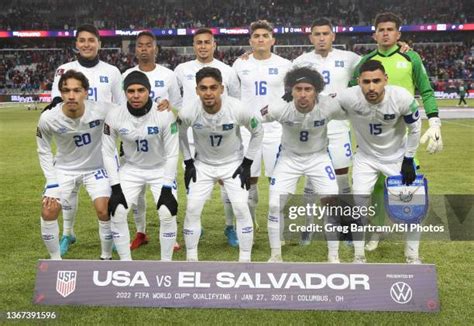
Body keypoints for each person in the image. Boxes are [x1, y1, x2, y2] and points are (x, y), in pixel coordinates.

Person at [350, 12, 443, 251]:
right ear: (374, 34)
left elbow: (427, 90)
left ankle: (411, 246)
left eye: (390, 29)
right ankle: (376, 232)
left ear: (398, 34)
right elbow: (351, 91)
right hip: (374, 137)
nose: (385, 33)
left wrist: (434, 121)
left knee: (407, 186)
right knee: (376, 189)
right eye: (381, 29)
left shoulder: (410, 57)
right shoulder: (365, 62)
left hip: (403, 135)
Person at [49, 24, 125, 255]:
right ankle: (67, 233)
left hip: (102, 144)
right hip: (71, 144)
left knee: (104, 200)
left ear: (99, 44)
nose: (86, 44)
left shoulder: (112, 71)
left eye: (91, 40)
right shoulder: (64, 69)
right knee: (68, 194)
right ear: (76, 44)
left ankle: (107, 241)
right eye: (82, 40)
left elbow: (120, 107)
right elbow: (55, 103)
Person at [339, 60, 422, 263]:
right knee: (359, 204)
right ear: (358, 81)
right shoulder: (349, 96)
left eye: (377, 81)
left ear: (386, 79)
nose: (371, 87)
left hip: (396, 157)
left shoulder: (401, 97)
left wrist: (409, 158)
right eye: (366, 82)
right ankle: (359, 256)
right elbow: (321, 102)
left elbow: (416, 128)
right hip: (365, 158)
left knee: (412, 205)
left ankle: (412, 255)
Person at [178, 67, 263, 262]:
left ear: (221, 88)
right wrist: (189, 162)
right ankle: (191, 259)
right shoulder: (189, 111)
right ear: (197, 90)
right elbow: (180, 134)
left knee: (241, 208)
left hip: (232, 164)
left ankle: (245, 259)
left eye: (213, 87)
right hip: (203, 165)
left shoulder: (237, 108)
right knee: (192, 209)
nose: (208, 93)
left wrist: (247, 163)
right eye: (203, 88)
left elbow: (258, 132)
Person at [261, 67, 346, 262]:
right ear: (291, 90)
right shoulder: (279, 107)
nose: (303, 94)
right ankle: (275, 256)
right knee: (274, 206)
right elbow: (252, 120)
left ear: (316, 90)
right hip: (288, 159)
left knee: (331, 203)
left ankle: (334, 256)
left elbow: (356, 112)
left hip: (319, 158)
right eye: (298, 89)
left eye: (308, 89)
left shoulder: (329, 106)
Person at [174, 28, 241, 247]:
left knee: (227, 183)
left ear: (214, 45)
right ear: (193, 46)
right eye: (198, 42)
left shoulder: (227, 71)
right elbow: (176, 102)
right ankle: (196, 226)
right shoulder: (182, 69)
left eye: (207, 42)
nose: (203, 46)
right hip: (193, 134)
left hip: (222, 135)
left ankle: (230, 226)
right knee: (193, 183)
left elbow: (236, 102)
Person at [101, 71, 179, 261]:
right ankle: (126, 264)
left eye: (141, 90)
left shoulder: (164, 114)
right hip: (131, 168)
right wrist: (115, 186)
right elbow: (107, 152)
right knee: (117, 212)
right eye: (131, 91)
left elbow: (172, 153)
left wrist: (167, 187)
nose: (136, 95)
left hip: (160, 168)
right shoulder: (114, 115)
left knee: (167, 212)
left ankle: (166, 263)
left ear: (149, 91)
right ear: (125, 93)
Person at [37, 70, 113, 260]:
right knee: (48, 209)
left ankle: (106, 258)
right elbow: (43, 150)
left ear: (86, 92)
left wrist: (161, 105)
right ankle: (55, 261)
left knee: (104, 210)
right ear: (60, 93)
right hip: (64, 169)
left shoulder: (102, 109)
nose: (71, 96)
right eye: (66, 90)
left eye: (77, 90)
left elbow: (131, 109)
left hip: (96, 168)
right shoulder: (49, 118)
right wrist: (52, 182)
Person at [122, 31, 182, 250]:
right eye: (140, 45)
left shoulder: (168, 74)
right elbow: (122, 108)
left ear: (156, 48)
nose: (144, 49)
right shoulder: (127, 74)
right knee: (136, 195)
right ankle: (141, 232)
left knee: (166, 191)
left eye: (149, 45)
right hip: (134, 143)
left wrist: (169, 109)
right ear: (135, 49)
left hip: (161, 142)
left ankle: (170, 235)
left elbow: (178, 106)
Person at [232, 20, 292, 235]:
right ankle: (251, 223)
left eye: (265, 36)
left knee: (278, 179)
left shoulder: (285, 64)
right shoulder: (240, 64)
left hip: (276, 130)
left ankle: (279, 226)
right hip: (248, 131)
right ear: (250, 41)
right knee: (249, 178)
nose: (260, 39)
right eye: (256, 36)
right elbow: (233, 95)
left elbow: (292, 94)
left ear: (272, 40)